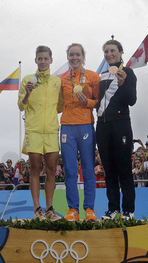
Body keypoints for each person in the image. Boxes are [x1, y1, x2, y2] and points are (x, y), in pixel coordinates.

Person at [18, 45, 63, 220]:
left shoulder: (56, 81)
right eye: (40, 58)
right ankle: (37, 210)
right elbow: (21, 105)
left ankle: (50, 209)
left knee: (52, 170)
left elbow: (60, 105)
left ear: (51, 60)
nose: (43, 61)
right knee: (35, 170)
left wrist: (49, 117)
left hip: (51, 131)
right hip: (34, 131)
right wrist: (28, 93)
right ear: (35, 60)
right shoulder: (28, 80)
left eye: (46, 58)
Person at [96, 39, 137, 220]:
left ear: (120, 52)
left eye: (112, 51)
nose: (109, 54)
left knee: (124, 169)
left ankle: (128, 211)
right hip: (102, 126)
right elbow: (96, 102)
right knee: (110, 171)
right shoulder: (101, 76)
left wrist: (122, 84)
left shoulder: (127, 72)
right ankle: (113, 210)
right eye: (106, 51)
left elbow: (131, 100)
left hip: (121, 125)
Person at [60, 43, 100, 222]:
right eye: (71, 55)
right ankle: (72, 210)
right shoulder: (62, 80)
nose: (74, 58)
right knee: (69, 169)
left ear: (83, 57)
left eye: (77, 55)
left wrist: (87, 103)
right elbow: (58, 105)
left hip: (85, 125)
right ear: (67, 57)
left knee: (88, 169)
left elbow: (98, 101)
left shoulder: (93, 76)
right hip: (67, 126)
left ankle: (89, 209)